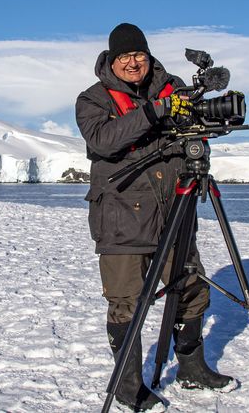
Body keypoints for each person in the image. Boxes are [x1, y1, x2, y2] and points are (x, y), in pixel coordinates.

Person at [76, 23, 234, 411]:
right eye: (125, 57)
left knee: (192, 289)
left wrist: (201, 148)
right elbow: (104, 141)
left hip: (173, 212)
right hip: (121, 218)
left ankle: (192, 370)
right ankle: (129, 386)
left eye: (140, 56)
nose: (133, 63)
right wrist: (155, 111)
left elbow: (192, 134)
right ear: (113, 60)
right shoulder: (93, 99)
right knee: (126, 301)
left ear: (149, 57)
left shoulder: (175, 87)